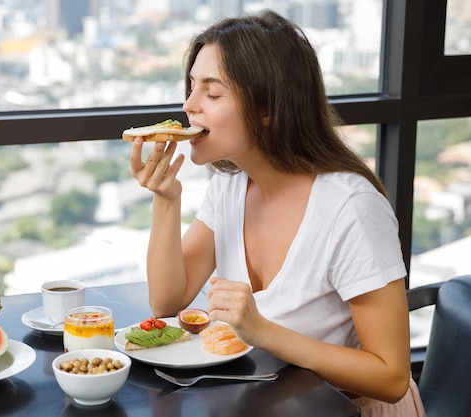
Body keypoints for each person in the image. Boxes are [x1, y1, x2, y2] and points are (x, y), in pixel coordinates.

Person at [129, 10, 425, 417]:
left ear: (267, 110)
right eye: (192, 87)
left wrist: (263, 331)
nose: (189, 105)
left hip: (348, 409)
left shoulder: (351, 208)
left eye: (212, 94)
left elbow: (390, 379)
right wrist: (166, 200)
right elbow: (166, 303)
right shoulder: (231, 184)